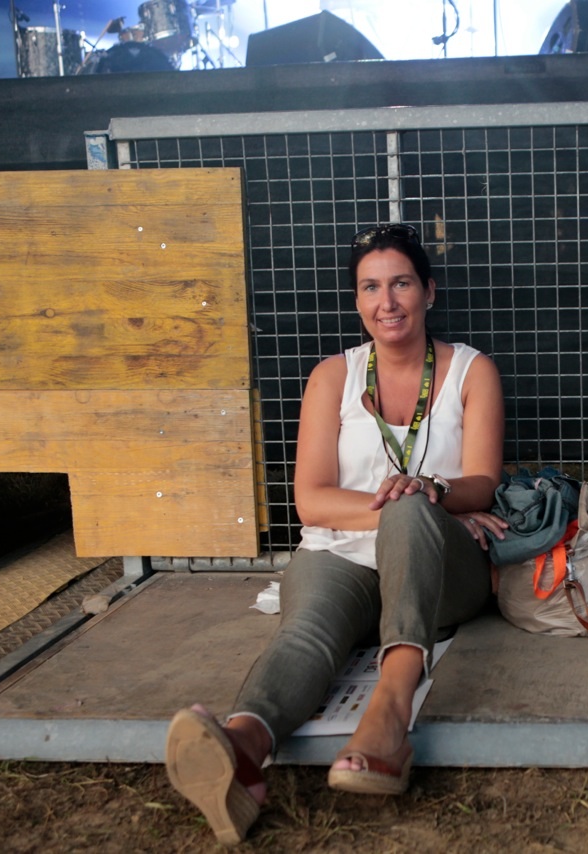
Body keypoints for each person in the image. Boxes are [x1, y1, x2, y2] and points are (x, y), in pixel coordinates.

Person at [164, 223, 508, 844]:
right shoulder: (332, 378)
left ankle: (390, 714)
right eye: (370, 287)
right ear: (357, 301)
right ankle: (242, 752)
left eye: (401, 283)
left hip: (440, 569)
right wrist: (416, 504)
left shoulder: (470, 371)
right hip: (341, 554)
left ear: (429, 291)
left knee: (409, 509)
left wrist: (430, 502)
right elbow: (310, 501)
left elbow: (481, 481)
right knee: (308, 631)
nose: (387, 302)